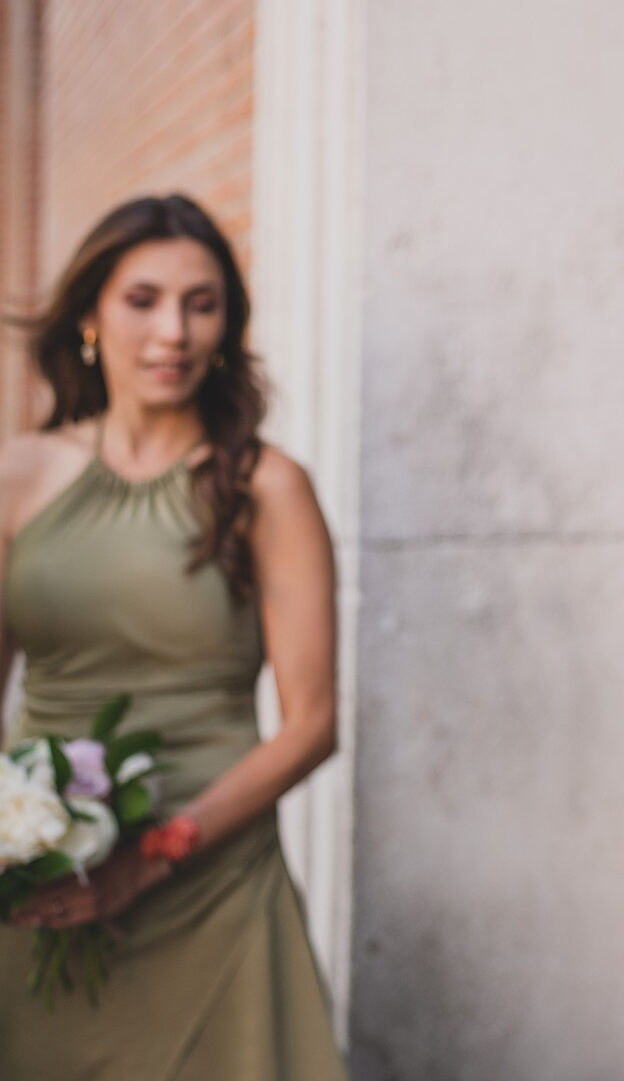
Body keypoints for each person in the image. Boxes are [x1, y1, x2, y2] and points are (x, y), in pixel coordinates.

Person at [0, 194, 347, 1078]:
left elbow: (312, 725)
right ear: (89, 314)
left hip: (214, 889)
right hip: (40, 892)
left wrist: (148, 862)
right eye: (143, 299)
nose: (174, 333)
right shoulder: (18, 476)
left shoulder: (268, 488)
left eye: (203, 304)